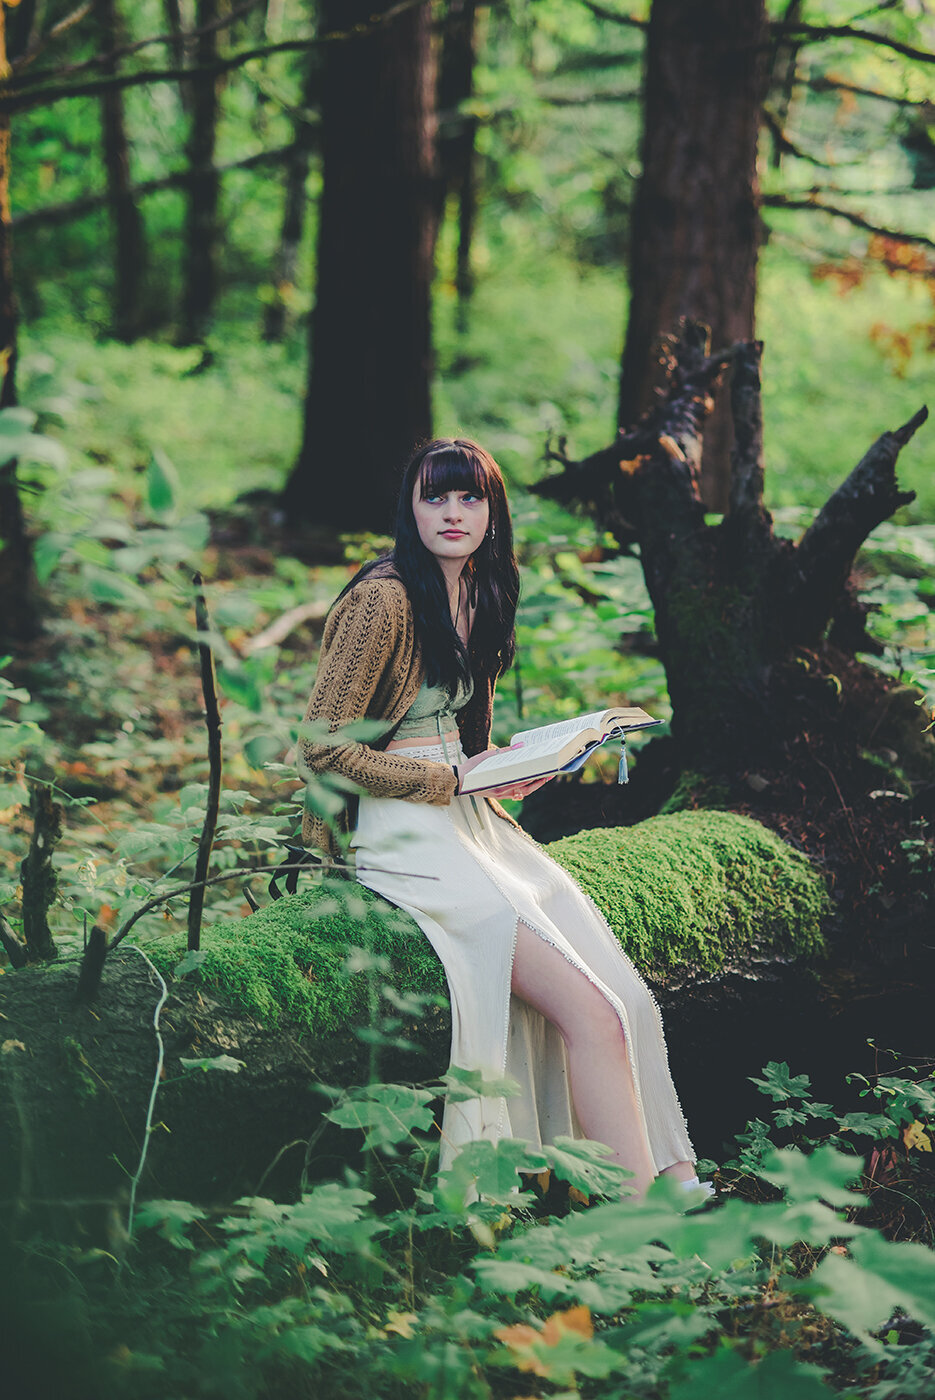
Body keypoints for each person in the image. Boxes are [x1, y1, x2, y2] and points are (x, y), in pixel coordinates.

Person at [298, 438, 702, 1197]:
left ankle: (677, 1182)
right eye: (434, 497)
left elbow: (470, 738)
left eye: (469, 498)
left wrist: (512, 768)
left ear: (492, 511)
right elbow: (319, 747)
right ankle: (643, 1214)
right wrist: (445, 780)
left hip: (473, 819)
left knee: (629, 999)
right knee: (591, 1016)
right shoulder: (383, 600)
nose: (452, 514)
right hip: (403, 832)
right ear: (408, 508)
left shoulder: (484, 588)